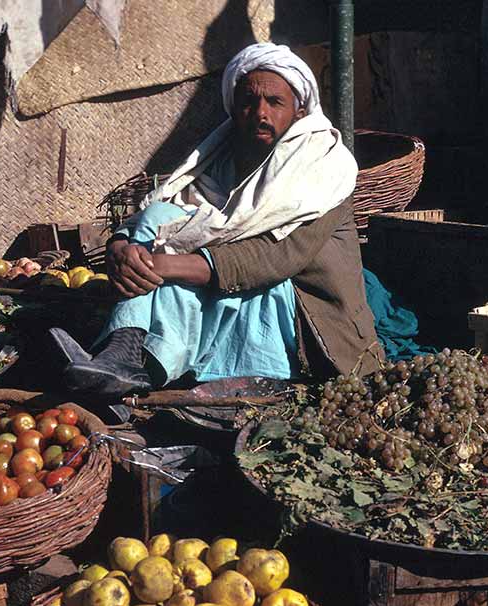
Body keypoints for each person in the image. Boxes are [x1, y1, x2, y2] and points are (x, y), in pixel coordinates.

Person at [51, 42, 383, 396]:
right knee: (160, 216)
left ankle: (141, 365)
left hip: (302, 314)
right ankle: (125, 350)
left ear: (300, 111)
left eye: (275, 102)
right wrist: (120, 246)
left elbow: (271, 260)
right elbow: (156, 220)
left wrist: (161, 265)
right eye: (248, 101)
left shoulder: (324, 168)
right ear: (233, 107)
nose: (260, 113)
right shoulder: (222, 158)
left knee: (182, 274)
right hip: (234, 283)